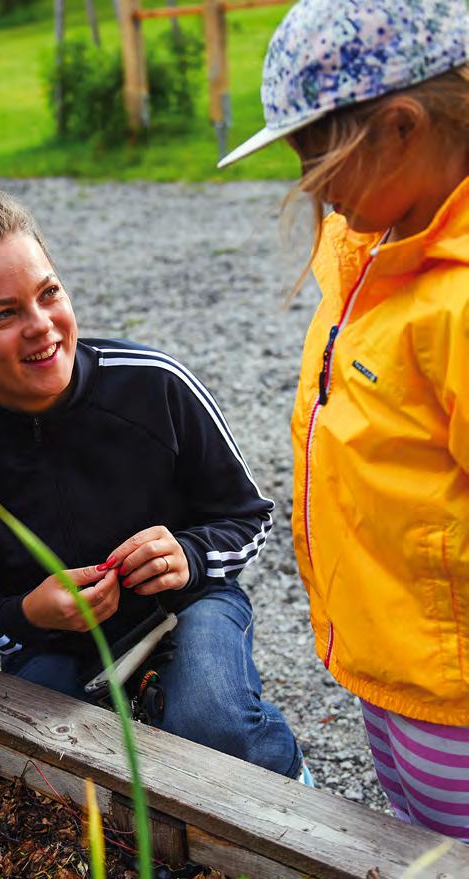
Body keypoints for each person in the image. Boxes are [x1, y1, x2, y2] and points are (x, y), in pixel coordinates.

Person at [0, 172, 304, 780]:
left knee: (210, 727)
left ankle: (292, 787)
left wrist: (189, 554)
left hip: (189, 603)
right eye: (4, 314)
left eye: (49, 292)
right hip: (52, 640)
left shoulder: (154, 383)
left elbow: (247, 516)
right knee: (52, 761)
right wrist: (30, 613)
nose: (42, 325)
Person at [218, 0, 469, 841]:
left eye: (311, 152)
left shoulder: (458, 299)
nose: (305, 183)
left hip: (455, 691)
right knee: (413, 835)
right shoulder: (376, 245)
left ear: (401, 127)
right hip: (396, 662)